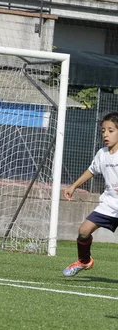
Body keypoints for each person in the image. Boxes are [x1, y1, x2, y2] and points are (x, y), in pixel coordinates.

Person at [63, 112, 118, 277]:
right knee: (84, 231)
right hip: (109, 204)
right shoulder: (102, 154)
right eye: (103, 131)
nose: (106, 134)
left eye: (110, 130)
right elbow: (91, 170)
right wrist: (73, 186)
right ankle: (84, 260)